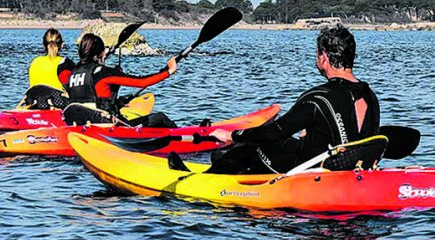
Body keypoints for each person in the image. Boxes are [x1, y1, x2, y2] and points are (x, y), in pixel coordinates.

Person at [170, 25, 379, 174]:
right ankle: (227, 167)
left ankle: (202, 181)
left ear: (323, 57)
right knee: (283, 145)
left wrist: (233, 135)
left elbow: (274, 132)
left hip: (314, 173)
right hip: (349, 168)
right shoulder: (370, 96)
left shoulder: (318, 98)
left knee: (249, 148)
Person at [66, 33, 178, 128]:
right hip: (106, 127)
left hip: (79, 125)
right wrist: (169, 71)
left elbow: (89, 101)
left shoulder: (72, 73)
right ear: (101, 54)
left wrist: (118, 103)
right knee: (160, 117)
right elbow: (142, 82)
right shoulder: (102, 72)